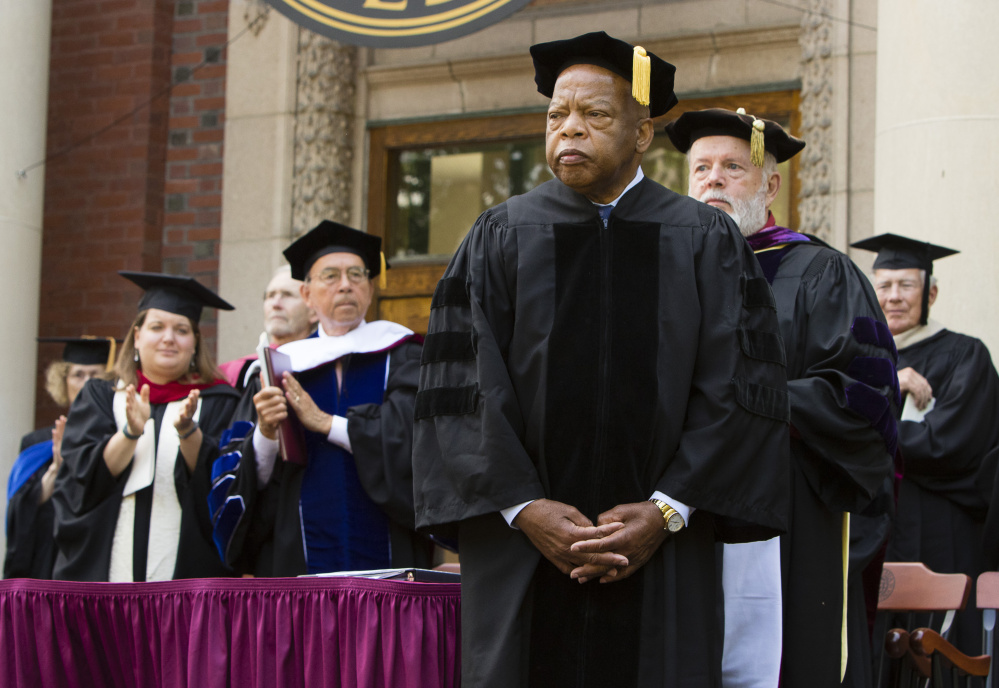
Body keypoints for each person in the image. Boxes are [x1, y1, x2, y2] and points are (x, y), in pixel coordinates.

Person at [412, 33, 790, 688]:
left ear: (642, 133)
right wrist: (522, 508)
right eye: (557, 115)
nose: (570, 131)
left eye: (594, 116)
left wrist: (666, 509)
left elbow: (739, 386)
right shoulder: (499, 234)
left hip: (663, 548)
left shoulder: (704, 240)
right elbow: (461, 387)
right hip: (523, 550)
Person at [666, 108, 900, 688]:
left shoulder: (821, 272)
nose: (712, 180)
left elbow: (862, 394)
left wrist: (749, 404)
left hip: (787, 505)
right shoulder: (659, 277)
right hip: (673, 509)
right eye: (701, 169)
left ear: (770, 184)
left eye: (732, 167)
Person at [209, 220, 432, 576]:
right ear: (308, 295)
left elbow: (417, 444)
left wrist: (327, 424)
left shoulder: (404, 356)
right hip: (297, 554)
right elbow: (246, 475)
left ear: (370, 289)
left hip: (391, 550)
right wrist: (266, 433)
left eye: (357, 274)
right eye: (330, 275)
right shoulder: (279, 368)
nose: (346, 285)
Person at [853, 233, 999, 654]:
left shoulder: (966, 355)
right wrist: (886, 387)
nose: (893, 296)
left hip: (941, 532)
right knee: (871, 649)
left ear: (931, 292)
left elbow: (949, 444)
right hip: (873, 529)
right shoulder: (857, 362)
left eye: (907, 285)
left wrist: (870, 424)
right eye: (884, 285)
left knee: (939, 650)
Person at [52, 272, 240, 581]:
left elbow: (222, 487)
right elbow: (80, 482)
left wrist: (188, 432)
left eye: (182, 330)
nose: (169, 338)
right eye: (157, 327)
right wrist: (130, 433)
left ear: (194, 344)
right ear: (136, 337)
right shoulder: (102, 396)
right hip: (106, 576)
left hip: (186, 583)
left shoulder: (220, 401)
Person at [4, 337, 114, 579]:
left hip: (97, 556)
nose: (86, 383)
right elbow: (21, 513)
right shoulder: (36, 443)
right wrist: (56, 468)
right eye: (78, 374)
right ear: (62, 381)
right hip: (47, 560)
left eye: (95, 374)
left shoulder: (116, 439)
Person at [218, 265, 317, 391]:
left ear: (314, 312)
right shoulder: (232, 372)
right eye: (270, 296)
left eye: (287, 295)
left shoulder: (326, 367)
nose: (275, 304)